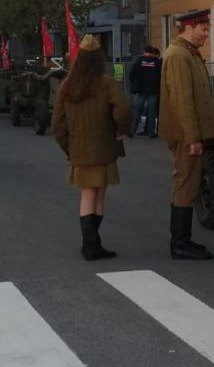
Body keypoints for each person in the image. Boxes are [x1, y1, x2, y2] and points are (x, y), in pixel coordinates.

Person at [52, 34, 132, 260]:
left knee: (87, 195)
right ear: (99, 58)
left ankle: (90, 244)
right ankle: (93, 244)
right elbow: (124, 109)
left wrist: (70, 148)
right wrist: (120, 129)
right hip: (104, 147)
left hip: (79, 149)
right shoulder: (106, 82)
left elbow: (57, 124)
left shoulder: (67, 84)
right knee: (98, 195)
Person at [160, 8, 214, 261]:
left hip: (193, 134)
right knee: (185, 183)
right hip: (186, 136)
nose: (207, 34)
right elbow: (182, 101)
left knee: (190, 182)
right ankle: (180, 243)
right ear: (188, 27)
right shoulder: (178, 56)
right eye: (203, 29)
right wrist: (193, 137)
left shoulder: (189, 54)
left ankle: (183, 240)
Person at [128, 46, 162, 138]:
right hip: (153, 90)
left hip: (140, 90)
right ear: (152, 52)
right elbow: (161, 76)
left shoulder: (139, 61)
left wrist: (135, 84)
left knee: (138, 111)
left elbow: (131, 74)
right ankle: (151, 133)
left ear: (144, 52)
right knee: (152, 112)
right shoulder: (157, 63)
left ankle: (132, 131)